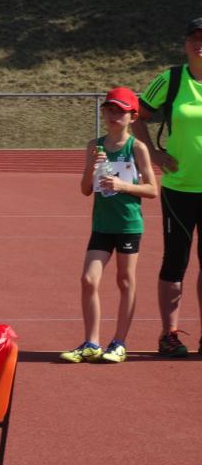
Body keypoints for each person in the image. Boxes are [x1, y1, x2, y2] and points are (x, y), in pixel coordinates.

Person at [60, 87, 158, 364]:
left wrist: (122, 185)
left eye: (120, 111)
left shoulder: (137, 148)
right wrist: (91, 165)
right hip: (101, 225)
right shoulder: (95, 146)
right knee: (88, 280)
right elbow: (85, 189)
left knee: (125, 281)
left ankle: (119, 343)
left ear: (133, 116)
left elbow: (152, 189)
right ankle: (91, 343)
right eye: (109, 110)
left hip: (128, 224)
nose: (114, 115)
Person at [132, 17, 202, 358]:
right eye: (194, 37)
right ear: (185, 43)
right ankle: (169, 334)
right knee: (176, 261)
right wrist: (154, 154)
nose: (200, 43)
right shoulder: (171, 79)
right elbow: (137, 116)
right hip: (179, 189)